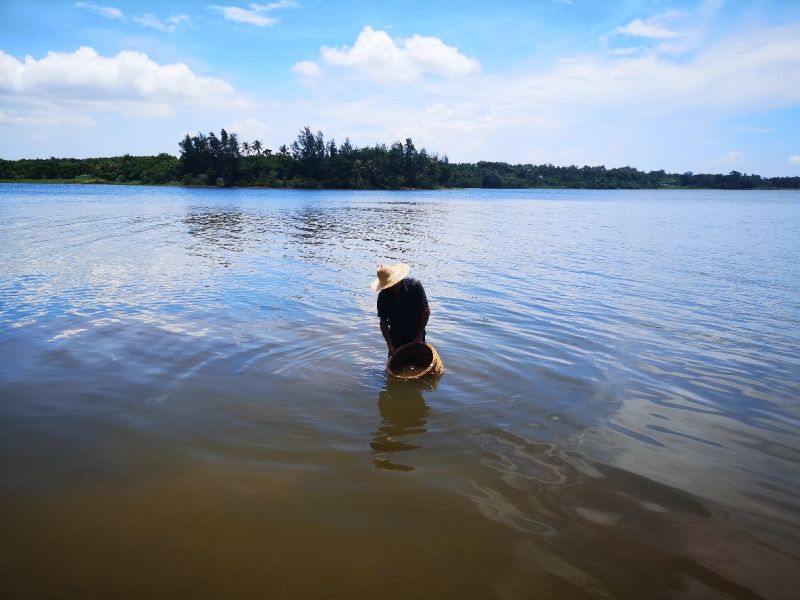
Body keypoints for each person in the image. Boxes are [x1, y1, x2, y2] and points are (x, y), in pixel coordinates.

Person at [371, 263, 430, 357]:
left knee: (418, 359)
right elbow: (383, 323)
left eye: (393, 284)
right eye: (389, 286)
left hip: (415, 332)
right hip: (396, 335)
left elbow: (426, 311)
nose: (392, 287)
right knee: (397, 364)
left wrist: (418, 337)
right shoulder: (383, 296)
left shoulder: (415, 286)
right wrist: (390, 345)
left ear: (398, 279)